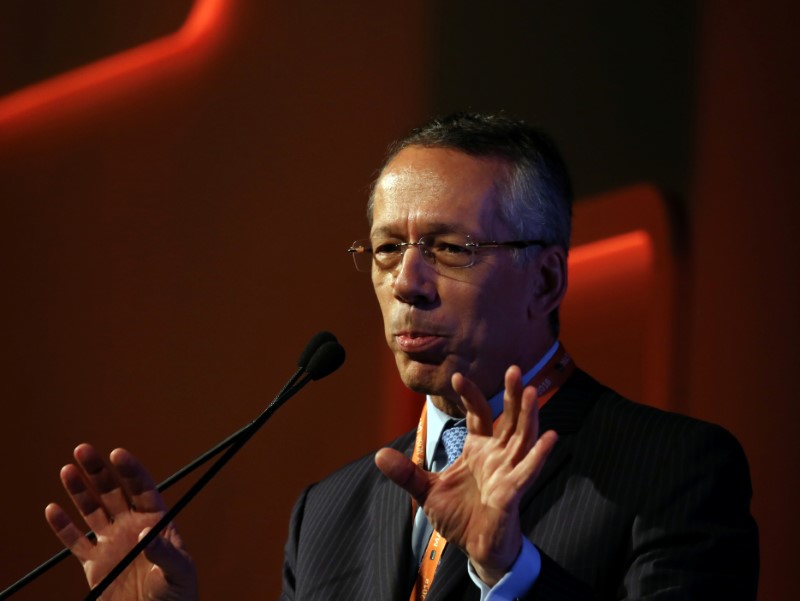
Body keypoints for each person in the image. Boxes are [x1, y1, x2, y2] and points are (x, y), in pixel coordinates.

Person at [45, 113, 759, 600]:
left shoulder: (674, 471)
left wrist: (507, 572)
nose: (407, 284)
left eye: (451, 249)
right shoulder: (328, 511)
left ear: (546, 278)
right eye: (387, 249)